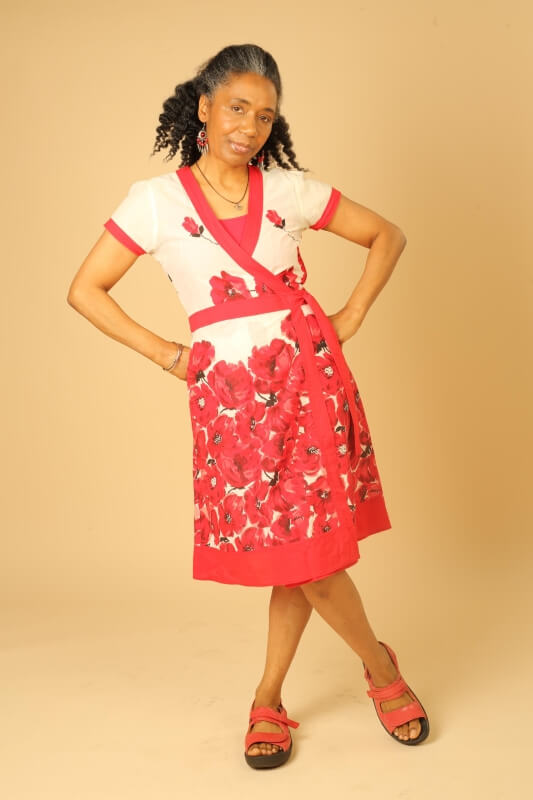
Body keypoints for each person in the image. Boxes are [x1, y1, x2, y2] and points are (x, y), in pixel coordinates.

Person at [67, 43, 430, 769]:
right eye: (237, 108)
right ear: (203, 107)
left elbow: (385, 236)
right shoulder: (155, 202)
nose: (250, 126)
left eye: (265, 116)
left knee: (309, 557)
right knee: (296, 555)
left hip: (309, 385)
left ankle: (313, 689)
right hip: (233, 406)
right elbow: (85, 290)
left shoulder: (289, 191)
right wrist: (170, 355)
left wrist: (350, 316)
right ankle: (363, 668)